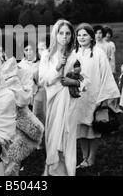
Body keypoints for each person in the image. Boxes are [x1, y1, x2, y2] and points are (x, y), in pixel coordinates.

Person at [0, 34, 44, 176]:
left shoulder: (23, 72)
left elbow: (23, 101)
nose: (0, 54)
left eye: (4, 50)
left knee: (11, 166)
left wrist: (10, 76)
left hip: (16, 126)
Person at [39, 19, 88, 176]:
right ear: (55, 34)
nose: (64, 37)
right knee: (54, 136)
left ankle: (68, 171)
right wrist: (58, 66)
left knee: (67, 136)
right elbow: (42, 80)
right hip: (53, 102)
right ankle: (53, 171)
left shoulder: (75, 55)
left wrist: (73, 81)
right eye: (61, 33)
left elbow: (86, 81)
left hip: (70, 102)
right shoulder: (47, 55)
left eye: (68, 33)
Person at [74, 23, 120, 168]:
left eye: (85, 35)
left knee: (93, 129)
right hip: (78, 98)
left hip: (95, 96)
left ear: (91, 36)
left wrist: (104, 98)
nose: (82, 38)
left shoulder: (98, 53)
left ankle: (91, 158)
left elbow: (106, 75)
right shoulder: (74, 53)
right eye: (79, 35)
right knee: (80, 129)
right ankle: (84, 157)